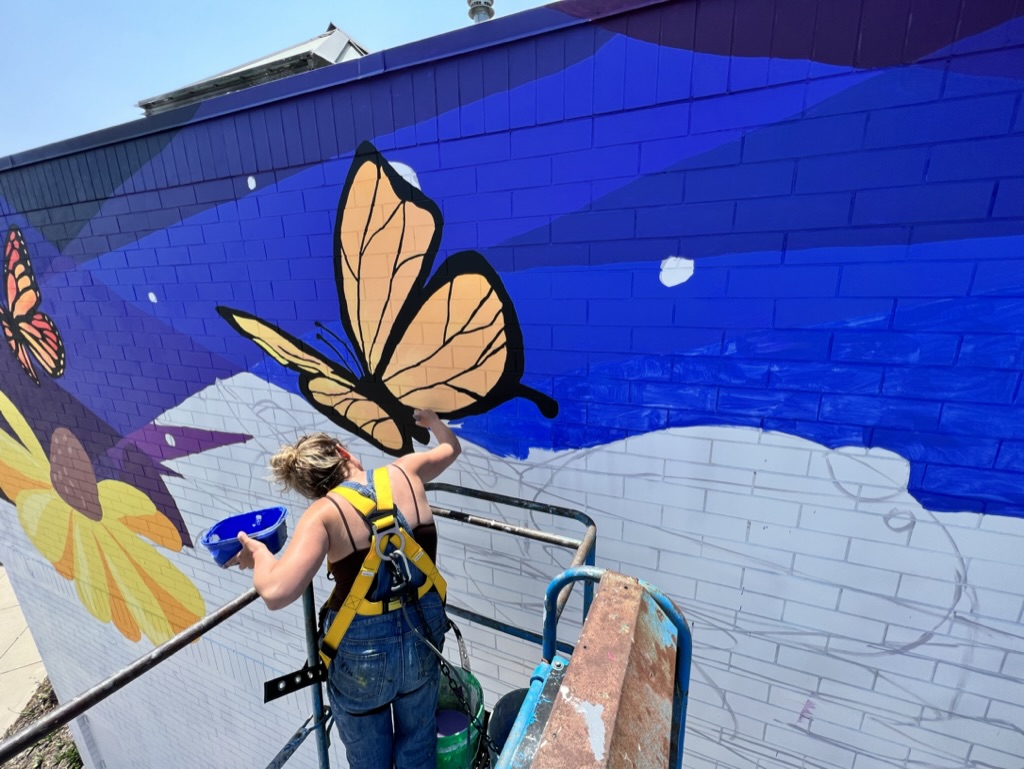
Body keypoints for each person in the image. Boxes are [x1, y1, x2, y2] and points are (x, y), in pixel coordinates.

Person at [232, 409, 461, 769]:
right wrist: (432, 423)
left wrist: (259, 554)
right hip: (423, 634)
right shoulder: (405, 470)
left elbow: (276, 592)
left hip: (361, 655)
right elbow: (451, 449)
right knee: (418, 747)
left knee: (370, 760)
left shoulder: (322, 514)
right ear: (343, 452)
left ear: (310, 488)